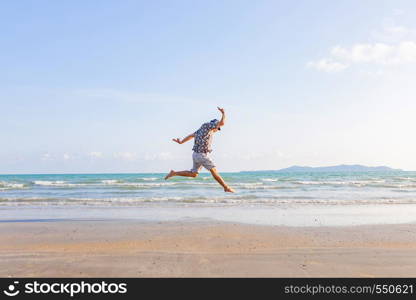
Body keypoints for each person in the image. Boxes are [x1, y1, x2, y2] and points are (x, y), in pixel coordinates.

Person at [164, 107, 235, 193]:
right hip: (201, 155)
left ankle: (174, 173)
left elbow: (191, 135)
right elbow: (222, 123)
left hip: (195, 154)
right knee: (213, 170)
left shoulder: (202, 129)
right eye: (217, 127)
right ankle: (226, 187)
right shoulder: (208, 126)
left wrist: (181, 142)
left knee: (194, 174)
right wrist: (223, 113)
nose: (217, 130)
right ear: (214, 124)